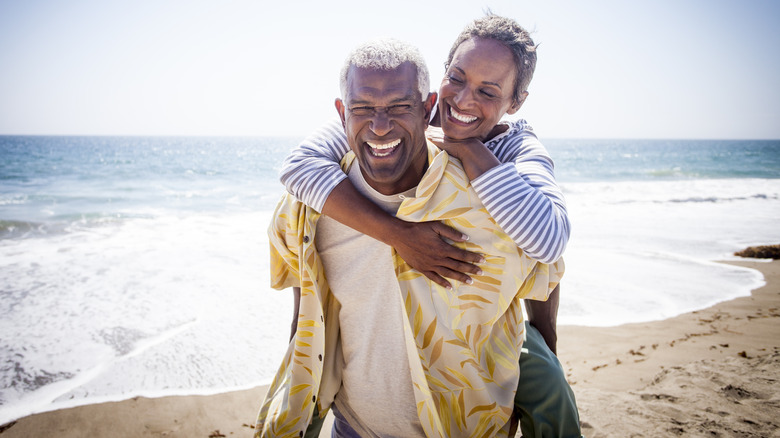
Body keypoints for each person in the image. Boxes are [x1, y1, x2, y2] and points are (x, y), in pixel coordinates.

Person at [277, 14, 580, 437]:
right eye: (458, 78)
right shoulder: (410, 112)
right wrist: (399, 236)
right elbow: (298, 168)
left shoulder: (515, 146)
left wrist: (469, 149)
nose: (465, 101)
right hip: (366, 404)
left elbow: (547, 241)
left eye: (488, 91)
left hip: (492, 314)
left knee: (547, 382)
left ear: (516, 101)